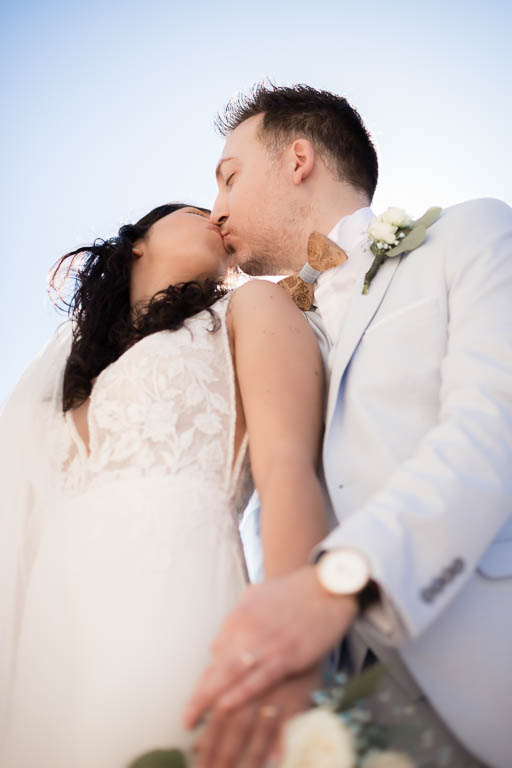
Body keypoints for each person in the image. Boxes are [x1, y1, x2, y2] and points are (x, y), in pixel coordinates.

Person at [184, 84, 512, 768]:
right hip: (328, 715)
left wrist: (338, 582)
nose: (215, 211)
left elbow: (494, 428)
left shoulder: (471, 234)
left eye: (229, 177)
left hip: (482, 672)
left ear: (298, 158)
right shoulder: (263, 334)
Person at [0, 202, 329, 767]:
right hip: (55, 639)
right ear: (138, 242)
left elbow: (288, 471)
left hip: (178, 601)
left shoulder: (248, 308)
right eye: (198, 209)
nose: (220, 218)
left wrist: (290, 658)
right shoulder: (68, 375)